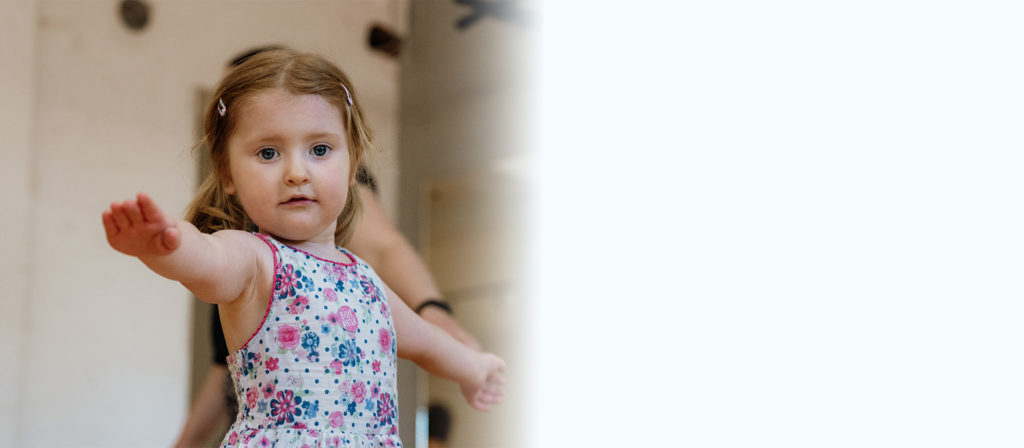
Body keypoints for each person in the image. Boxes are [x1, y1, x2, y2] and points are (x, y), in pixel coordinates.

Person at [102, 48, 504, 447]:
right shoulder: (255, 260)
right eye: (268, 153)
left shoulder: (366, 281)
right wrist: (164, 246)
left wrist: (475, 368)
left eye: (320, 150)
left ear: (353, 164)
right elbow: (206, 258)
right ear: (227, 172)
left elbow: (428, 342)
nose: (297, 173)